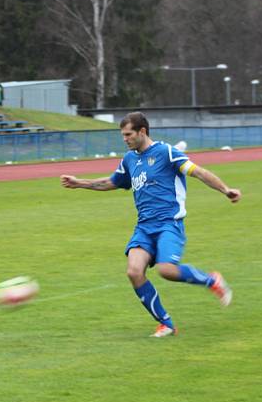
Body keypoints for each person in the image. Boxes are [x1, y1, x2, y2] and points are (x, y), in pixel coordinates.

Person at [60, 112, 240, 338]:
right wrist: (80, 183)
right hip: (144, 227)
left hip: (169, 224)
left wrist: (226, 190)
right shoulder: (129, 159)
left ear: (142, 131)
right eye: (123, 135)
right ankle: (166, 324)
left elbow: (199, 173)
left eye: (128, 134)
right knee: (134, 272)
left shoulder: (166, 152)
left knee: (166, 270)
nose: (124, 139)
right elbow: (111, 182)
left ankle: (212, 280)